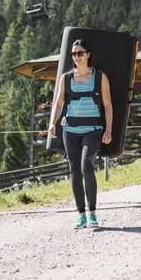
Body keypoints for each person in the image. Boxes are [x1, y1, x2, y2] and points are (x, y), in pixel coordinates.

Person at [48, 39, 113, 229]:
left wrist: (108, 130)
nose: (77, 57)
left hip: (92, 129)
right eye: (74, 54)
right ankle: (81, 215)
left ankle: (92, 213)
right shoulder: (66, 78)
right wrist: (52, 123)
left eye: (80, 53)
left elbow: (108, 106)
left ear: (88, 54)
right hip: (70, 130)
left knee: (87, 166)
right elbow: (59, 103)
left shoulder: (100, 77)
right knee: (75, 170)